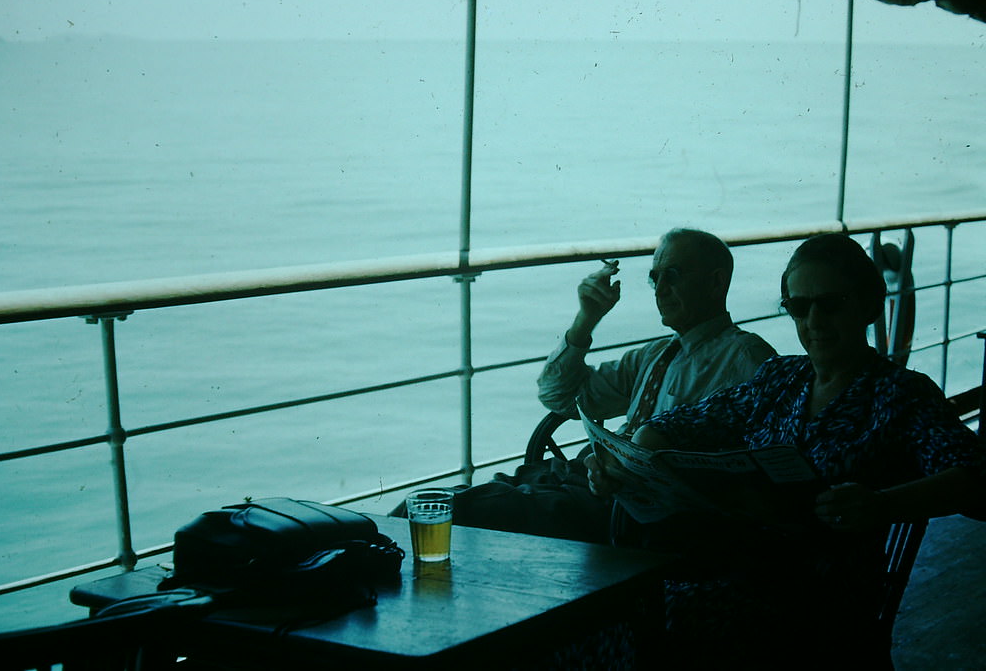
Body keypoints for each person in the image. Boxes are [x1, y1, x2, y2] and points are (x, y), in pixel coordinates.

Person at [586, 232, 986, 666]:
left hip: (820, 603)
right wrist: (627, 464)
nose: (813, 320)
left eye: (829, 303)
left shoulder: (902, 394)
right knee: (606, 620)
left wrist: (882, 505)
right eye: (799, 306)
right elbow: (681, 424)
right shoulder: (779, 378)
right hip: (736, 570)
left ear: (868, 305)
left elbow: (978, 479)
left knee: (635, 633)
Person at [393, 228, 776, 544]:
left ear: (715, 283)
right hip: (580, 479)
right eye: (654, 277)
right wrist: (586, 320)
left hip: (626, 512)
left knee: (458, 510)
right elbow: (559, 397)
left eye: (672, 275)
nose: (659, 289)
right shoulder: (657, 354)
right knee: (443, 500)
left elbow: (757, 464)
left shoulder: (746, 358)